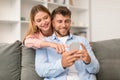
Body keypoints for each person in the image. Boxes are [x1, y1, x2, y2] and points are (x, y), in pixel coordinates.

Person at [35, 6, 100, 80]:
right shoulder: (44, 43)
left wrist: (88, 61)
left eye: (67, 21)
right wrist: (61, 64)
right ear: (53, 23)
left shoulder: (82, 41)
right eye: (59, 21)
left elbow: (96, 69)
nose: (64, 25)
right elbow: (41, 71)